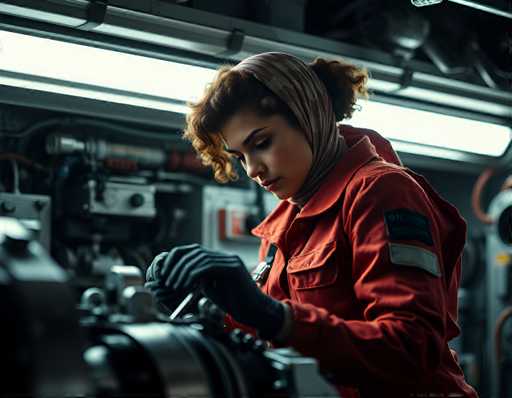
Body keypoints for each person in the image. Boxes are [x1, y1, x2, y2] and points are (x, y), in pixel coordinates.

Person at [145, 52, 478, 398]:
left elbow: (412, 348)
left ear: (309, 116)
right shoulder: (281, 229)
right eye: (239, 156)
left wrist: (275, 317)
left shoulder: (381, 191)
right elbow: (273, 343)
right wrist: (206, 309)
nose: (253, 169)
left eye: (261, 144)